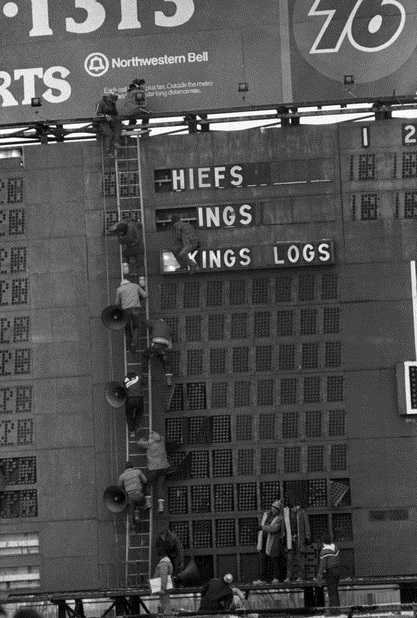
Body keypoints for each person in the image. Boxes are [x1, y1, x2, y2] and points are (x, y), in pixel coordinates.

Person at [254, 499, 287, 584]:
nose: (273, 509)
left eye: (275, 508)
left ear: (278, 510)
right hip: (264, 541)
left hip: (273, 542)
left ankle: (276, 577)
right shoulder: (267, 515)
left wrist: (263, 527)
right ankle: (262, 579)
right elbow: (262, 522)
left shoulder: (279, 518)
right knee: (263, 560)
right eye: (273, 507)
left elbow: (274, 529)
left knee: (274, 560)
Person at [138, 431, 170, 512]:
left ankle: (148, 503)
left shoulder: (149, 443)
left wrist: (143, 438)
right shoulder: (162, 440)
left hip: (153, 468)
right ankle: (161, 506)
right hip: (163, 468)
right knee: (160, 486)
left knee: (147, 484)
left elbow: (139, 443)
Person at [114, 277, 147, 352]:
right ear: (129, 282)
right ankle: (134, 344)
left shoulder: (119, 289)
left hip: (125, 310)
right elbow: (145, 295)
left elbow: (117, 303)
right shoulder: (135, 286)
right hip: (136, 309)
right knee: (136, 327)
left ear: (122, 284)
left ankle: (128, 346)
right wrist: (138, 298)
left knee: (127, 329)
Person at [118, 462, 151, 530]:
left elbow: (120, 487)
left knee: (131, 509)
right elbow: (145, 481)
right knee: (147, 485)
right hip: (140, 495)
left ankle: (133, 525)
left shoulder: (122, 476)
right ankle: (147, 503)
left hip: (130, 497)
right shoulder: (138, 471)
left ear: (125, 468)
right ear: (132, 467)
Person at [142, 318, 173, 385]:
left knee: (145, 355)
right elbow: (170, 346)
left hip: (155, 345)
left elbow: (146, 323)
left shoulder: (155, 322)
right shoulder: (168, 327)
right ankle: (169, 380)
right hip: (163, 348)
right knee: (166, 363)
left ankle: (145, 376)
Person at [315, 534, 341, 610]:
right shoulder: (335, 548)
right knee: (335, 591)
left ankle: (334, 611)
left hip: (330, 572)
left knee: (331, 591)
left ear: (323, 542)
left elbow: (322, 565)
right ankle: (337, 609)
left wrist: (319, 578)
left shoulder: (324, 551)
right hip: (337, 571)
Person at [285, 503, 311, 582]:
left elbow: (306, 525)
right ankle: (289, 576)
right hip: (290, 538)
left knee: (300, 557)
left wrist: (307, 536)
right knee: (289, 558)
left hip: (300, 538)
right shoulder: (286, 513)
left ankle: (301, 576)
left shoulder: (302, 512)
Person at [153, 545, 174, 614]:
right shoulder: (167, 561)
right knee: (165, 602)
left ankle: (167, 615)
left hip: (163, 586)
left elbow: (163, 575)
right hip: (165, 586)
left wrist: (163, 587)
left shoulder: (163, 563)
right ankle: (167, 614)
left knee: (165, 603)